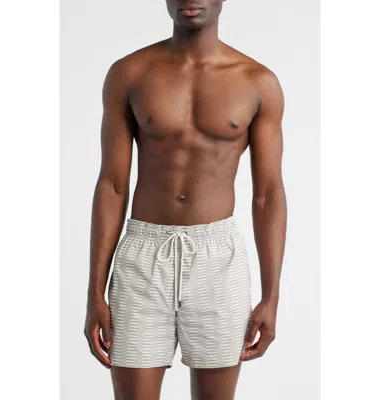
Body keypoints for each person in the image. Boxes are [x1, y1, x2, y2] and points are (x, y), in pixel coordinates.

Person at [84, 0, 287, 399]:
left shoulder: (257, 82)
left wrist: (271, 296)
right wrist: (95, 291)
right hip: (143, 257)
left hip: (219, 260)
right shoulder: (130, 73)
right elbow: (112, 185)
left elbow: (268, 194)